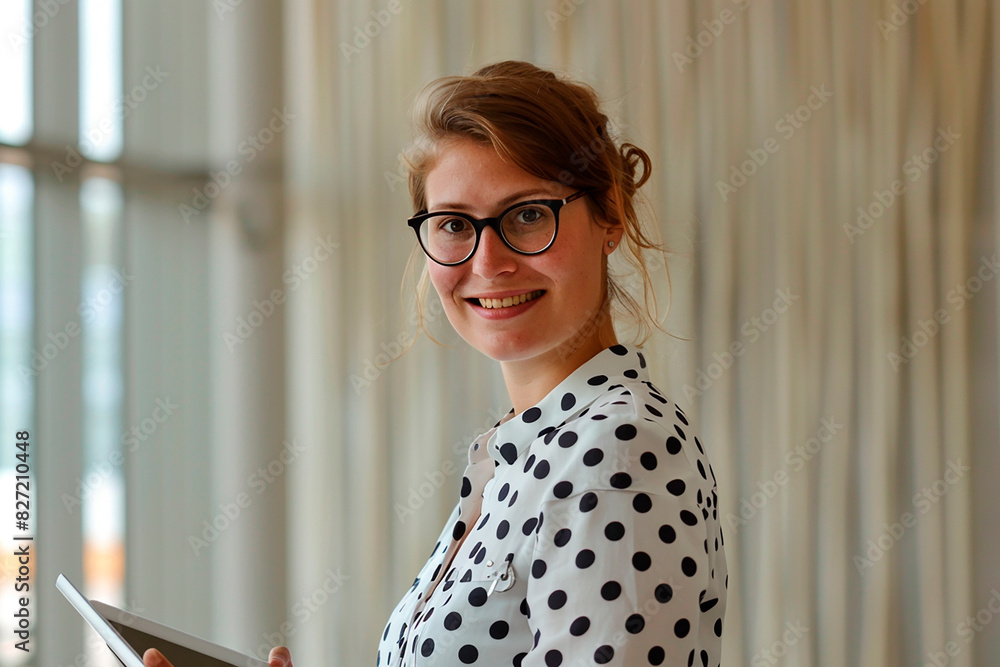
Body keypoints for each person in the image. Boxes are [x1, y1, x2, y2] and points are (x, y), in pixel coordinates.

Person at [144, 60, 727, 667]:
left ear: (609, 215)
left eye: (528, 213)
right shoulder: (522, 453)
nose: (489, 262)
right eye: (453, 224)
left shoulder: (618, 449)